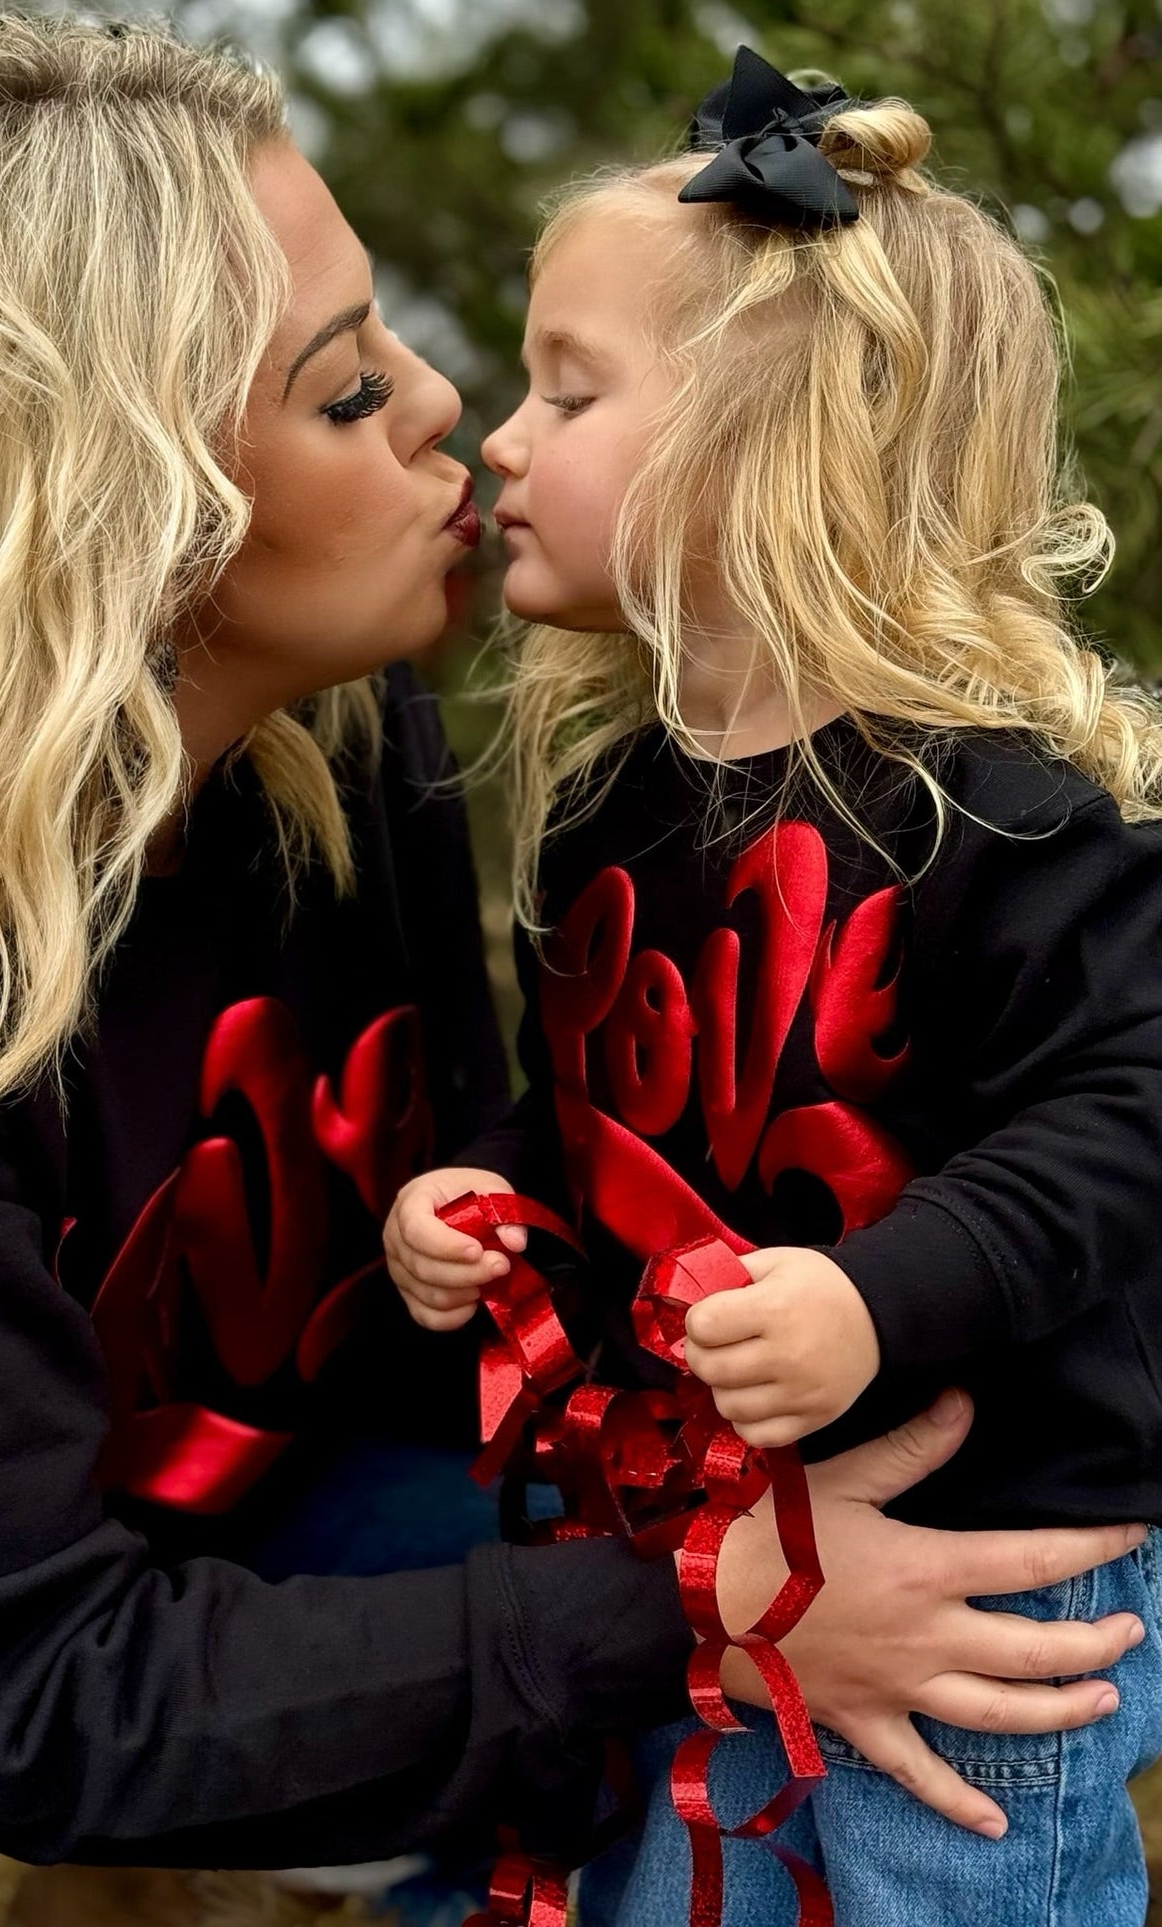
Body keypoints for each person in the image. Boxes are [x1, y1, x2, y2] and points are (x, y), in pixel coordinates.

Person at [0, 21, 1146, 1927]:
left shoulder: (338, 741)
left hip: (242, 1504)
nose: (443, 407)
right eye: (339, 392)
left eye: (386, 332)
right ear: (117, 513)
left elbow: (479, 1244)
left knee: (773, 1669)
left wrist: (506, 1267)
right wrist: (712, 1607)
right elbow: (30, 1693)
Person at [384, 43, 1162, 1927]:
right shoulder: (603, 807)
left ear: (767, 440)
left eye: (567, 390)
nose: (498, 433)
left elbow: (1125, 1118)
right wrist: (482, 1199)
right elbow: (588, 1109)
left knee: (937, 1891)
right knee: (676, 1886)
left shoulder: (995, 803)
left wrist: (878, 1295)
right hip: (703, 1517)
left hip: (989, 1548)